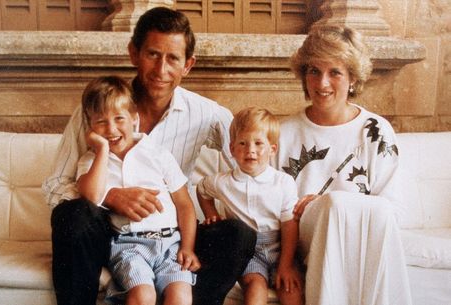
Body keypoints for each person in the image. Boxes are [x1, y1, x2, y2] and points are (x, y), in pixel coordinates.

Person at [43, 7, 256, 305]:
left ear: (188, 65)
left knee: (237, 234)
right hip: (112, 234)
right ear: (133, 53)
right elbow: (55, 187)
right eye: (153, 55)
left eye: (173, 59)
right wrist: (111, 195)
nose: (161, 70)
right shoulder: (97, 113)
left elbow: (251, 166)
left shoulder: (207, 114)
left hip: (170, 236)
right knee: (71, 214)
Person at [274, 25, 413, 305]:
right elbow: (270, 207)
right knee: (331, 207)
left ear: (352, 78)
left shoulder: (375, 131)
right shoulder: (283, 133)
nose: (322, 83)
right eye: (314, 71)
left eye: (334, 72)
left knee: (334, 205)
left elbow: (392, 214)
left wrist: (325, 204)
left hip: (362, 250)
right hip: (302, 249)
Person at [76, 75, 200, 305]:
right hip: (130, 246)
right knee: (143, 296)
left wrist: (187, 247)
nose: (111, 129)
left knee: (181, 297)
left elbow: (184, 204)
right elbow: (91, 196)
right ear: (90, 125)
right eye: (101, 122)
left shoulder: (158, 154)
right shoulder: (91, 161)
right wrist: (102, 149)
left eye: (119, 118)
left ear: (135, 118)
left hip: (171, 244)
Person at [197, 107, 303, 305]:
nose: (250, 150)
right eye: (243, 143)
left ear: (272, 149)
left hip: (279, 246)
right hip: (249, 251)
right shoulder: (223, 182)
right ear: (232, 149)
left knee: (290, 286)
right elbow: (202, 191)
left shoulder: (283, 182)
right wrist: (211, 215)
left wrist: (286, 264)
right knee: (255, 285)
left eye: (258, 143)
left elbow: (289, 225)